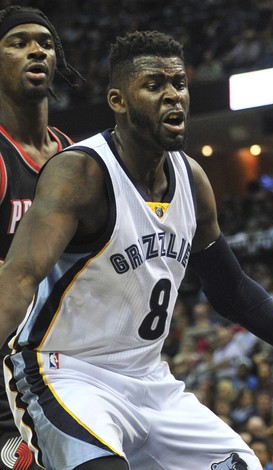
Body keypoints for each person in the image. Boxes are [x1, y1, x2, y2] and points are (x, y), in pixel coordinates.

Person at [0, 30, 273, 470]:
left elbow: (233, 291)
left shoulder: (192, 180)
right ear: (118, 101)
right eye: (154, 86)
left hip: (149, 379)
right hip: (66, 373)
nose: (173, 96)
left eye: (179, 84)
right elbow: (20, 277)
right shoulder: (80, 173)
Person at [0, 6, 83, 470]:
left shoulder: (75, 157)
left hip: (70, 365)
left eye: (46, 43)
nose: (36, 49)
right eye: (18, 42)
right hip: (6, 372)